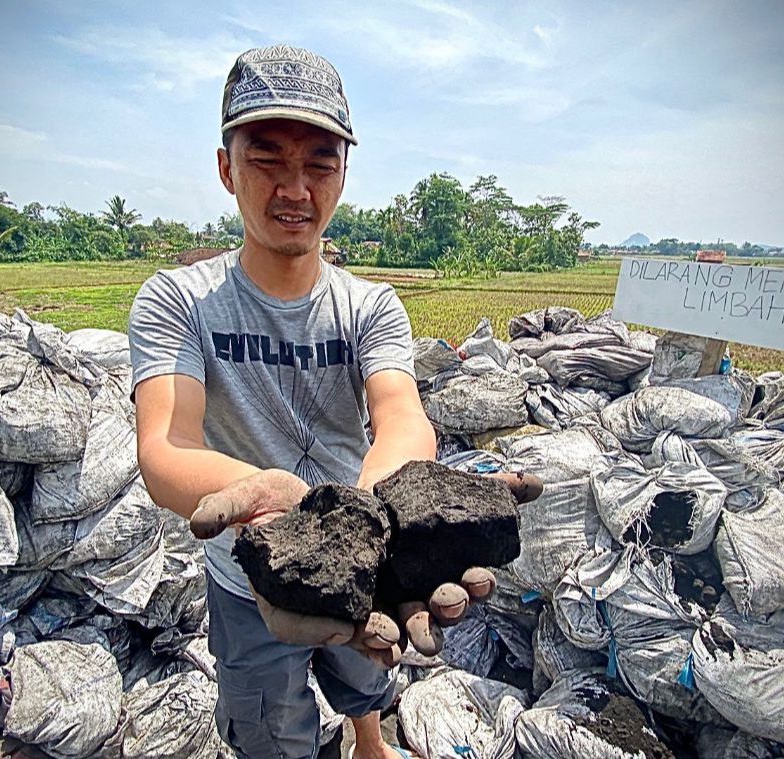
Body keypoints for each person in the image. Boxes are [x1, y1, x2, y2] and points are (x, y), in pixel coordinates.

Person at [128, 44, 528, 759]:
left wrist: (367, 514)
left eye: (319, 162)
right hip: (245, 570)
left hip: (365, 552)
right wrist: (277, 508)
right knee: (268, 724)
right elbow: (165, 449)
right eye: (267, 158)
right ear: (225, 167)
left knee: (364, 665)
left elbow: (401, 414)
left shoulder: (368, 306)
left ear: (343, 174)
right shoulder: (178, 301)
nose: (294, 188)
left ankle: (367, 738)